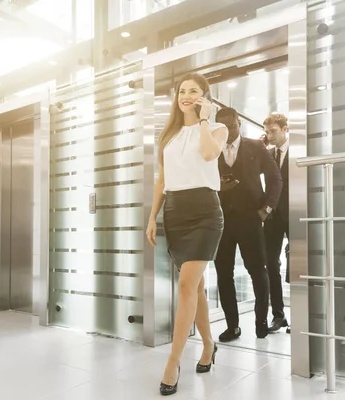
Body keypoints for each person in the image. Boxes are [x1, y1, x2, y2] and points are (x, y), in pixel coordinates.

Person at [146, 73, 228, 396]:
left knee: (185, 286)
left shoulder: (216, 130)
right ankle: (208, 344)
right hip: (175, 213)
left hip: (206, 213)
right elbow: (161, 180)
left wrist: (204, 120)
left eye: (194, 91)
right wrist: (152, 216)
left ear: (205, 97)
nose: (186, 96)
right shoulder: (168, 135)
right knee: (196, 287)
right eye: (182, 91)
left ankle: (173, 362)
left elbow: (208, 154)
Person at [214, 107, 282, 342]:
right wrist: (218, 186)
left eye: (232, 127)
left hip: (251, 219)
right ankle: (232, 326)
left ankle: (261, 321)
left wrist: (267, 209)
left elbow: (275, 179)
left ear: (239, 124)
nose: (229, 132)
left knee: (257, 271)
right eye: (223, 128)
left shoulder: (255, 146)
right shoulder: (211, 150)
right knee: (224, 274)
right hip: (221, 220)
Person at [262, 113, 290, 332]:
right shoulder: (268, 153)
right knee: (270, 263)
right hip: (272, 217)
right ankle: (278, 315)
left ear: (285, 129)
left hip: (294, 214)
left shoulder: (300, 150)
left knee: (300, 264)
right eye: (267, 131)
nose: (269, 135)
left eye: (273, 131)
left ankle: (303, 314)